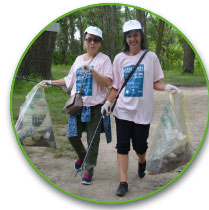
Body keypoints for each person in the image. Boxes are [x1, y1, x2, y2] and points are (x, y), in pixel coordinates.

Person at [101, 20, 180, 196]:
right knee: (122, 146)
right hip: (122, 110)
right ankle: (123, 182)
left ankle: (142, 161)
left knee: (140, 146)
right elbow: (116, 86)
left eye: (135, 34)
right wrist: (107, 102)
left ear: (141, 36)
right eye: (129, 36)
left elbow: (156, 82)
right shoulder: (119, 58)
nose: (132, 39)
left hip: (143, 112)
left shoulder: (150, 57)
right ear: (125, 38)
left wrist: (168, 87)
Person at [40, 26, 113, 185]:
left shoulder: (104, 59)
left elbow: (108, 82)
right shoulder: (79, 59)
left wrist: (92, 71)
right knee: (72, 135)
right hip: (77, 106)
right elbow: (69, 80)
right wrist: (50, 82)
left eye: (96, 40)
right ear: (84, 41)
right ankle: (82, 156)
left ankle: (88, 170)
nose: (92, 43)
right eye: (89, 39)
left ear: (100, 43)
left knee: (93, 141)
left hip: (95, 107)